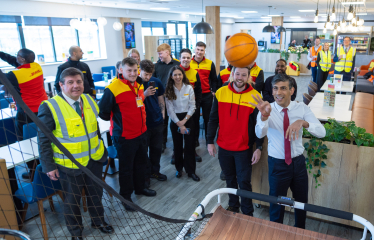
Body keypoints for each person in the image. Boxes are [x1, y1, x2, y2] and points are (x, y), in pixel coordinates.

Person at [38, 67, 114, 239]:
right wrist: (49, 166)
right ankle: (76, 232)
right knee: (72, 202)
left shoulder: (88, 99)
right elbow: (43, 139)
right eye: (70, 82)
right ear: (61, 85)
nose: (75, 86)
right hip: (69, 165)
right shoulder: (50, 106)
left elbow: (94, 128)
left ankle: (98, 221)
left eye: (79, 81)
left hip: (93, 159)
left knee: (96, 194)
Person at [251, 73, 326, 228]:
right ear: (272, 91)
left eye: (283, 88)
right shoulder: (266, 109)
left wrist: (303, 122)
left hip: (298, 163)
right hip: (277, 165)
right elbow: (260, 133)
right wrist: (263, 117)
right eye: (276, 88)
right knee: (276, 206)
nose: (279, 92)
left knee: (301, 203)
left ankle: (300, 233)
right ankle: (276, 235)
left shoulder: (302, 108)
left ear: (291, 91)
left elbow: (321, 132)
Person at [99, 57, 156, 211]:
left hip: (141, 132)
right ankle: (126, 197)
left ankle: (140, 188)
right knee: (126, 169)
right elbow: (103, 113)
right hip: (124, 136)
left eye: (134, 70)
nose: (132, 73)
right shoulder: (112, 89)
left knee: (141, 164)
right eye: (128, 70)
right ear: (120, 70)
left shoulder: (138, 84)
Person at [207, 66, 264, 216]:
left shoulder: (255, 96)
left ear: (249, 77)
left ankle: (247, 212)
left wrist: (259, 147)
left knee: (244, 182)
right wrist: (209, 141)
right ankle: (233, 206)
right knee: (230, 180)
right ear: (232, 74)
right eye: (237, 74)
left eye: (243, 75)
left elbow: (259, 125)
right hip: (224, 147)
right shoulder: (221, 92)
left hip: (243, 149)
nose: (240, 77)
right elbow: (213, 119)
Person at [0, 48, 48, 179]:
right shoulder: (36, 66)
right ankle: (45, 167)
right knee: (42, 139)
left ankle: (34, 173)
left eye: (18, 56)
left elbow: (2, 80)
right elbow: (13, 61)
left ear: (22, 59)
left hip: (27, 113)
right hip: (43, 109)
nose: (16, 57)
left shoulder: (16, 75)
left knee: (25, 144)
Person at [165, 66, 200, 182]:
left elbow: (192, 106)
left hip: (188, 118)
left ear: (183, 75)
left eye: (179, 74)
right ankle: (179, 169)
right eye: (175, 75)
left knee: (190, 146)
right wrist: (179, 123)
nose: (178, 77)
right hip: (175, 120)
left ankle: (191, 171)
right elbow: (169, 109)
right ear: (171, 76)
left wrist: (184, 121)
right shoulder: (169, 90)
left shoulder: (189, 88)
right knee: (177, 147)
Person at [139, 59, 168, 186]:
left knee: (156, 150)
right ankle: (145, 177)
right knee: (143, 153)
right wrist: (144, 94)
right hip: (143, 124)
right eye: (145, 74)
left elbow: (161, 99)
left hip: (157, 122)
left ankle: (155, 171)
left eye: (150, 74)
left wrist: (162, 116)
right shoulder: (135, 84)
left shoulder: (156, 82)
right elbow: (135, 104)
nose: (148, 77)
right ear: (140, 70)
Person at [152, 43, 180, 152]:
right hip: (161, 97)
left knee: (176, 119)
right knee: (163, 121)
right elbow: (153, 81)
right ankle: (162, 143)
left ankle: (177, 143)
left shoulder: (177, 64)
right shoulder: (156, 66)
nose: (159, 55)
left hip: (175, 97)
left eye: (160, 53)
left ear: (167, 52)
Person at [190, 41, 218, 148]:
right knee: (195, 118)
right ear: (195, 50)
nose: (199, 52)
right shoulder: (189, 62)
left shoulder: (210, 63)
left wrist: (213, 91)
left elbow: (214, 80)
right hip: (193, 96)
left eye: (202, 50)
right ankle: (195, 140)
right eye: (198, 49)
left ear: (204, 51)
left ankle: (208, 140)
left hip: (207, 95)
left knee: (208, 119)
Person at [179, 48, 202, 163]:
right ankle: (176, 153)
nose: (186, 59)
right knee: (177, 133)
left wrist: (197, 106)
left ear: (191, 58)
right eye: (183, 57)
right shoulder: (175, 72)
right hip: (178, 109)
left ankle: (192, 151)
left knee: (192, 131)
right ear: (180, 58)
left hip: (191, 109)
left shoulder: (194, 73)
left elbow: (198, 91)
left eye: (188, 57)